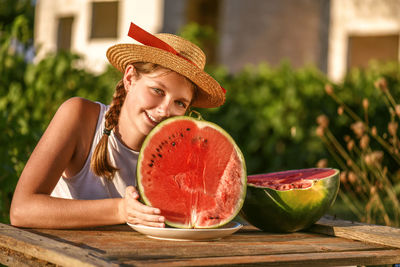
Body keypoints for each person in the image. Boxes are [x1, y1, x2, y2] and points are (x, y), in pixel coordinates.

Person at [10, 22, 225, 229]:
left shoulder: (181, 154)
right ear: (130, 78)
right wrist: (120, 211)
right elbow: (22, 209)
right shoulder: (80, 116)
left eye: (180, 103)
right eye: (157, 91)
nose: (165, 111)